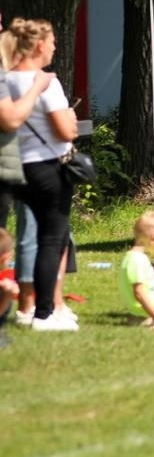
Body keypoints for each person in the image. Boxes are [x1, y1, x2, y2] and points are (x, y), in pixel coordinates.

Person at [5, 19, 80, 332]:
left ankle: (33, 306)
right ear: (37, 46)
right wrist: (72, 121)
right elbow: (65, 129)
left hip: (15, 165)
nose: (54, 47)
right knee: (52, 240)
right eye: (51, 42)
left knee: (27, 237)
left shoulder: (5, 80)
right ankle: (45, 312)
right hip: (48, 167)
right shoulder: (46, 82)